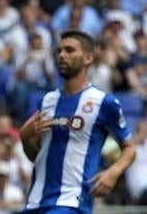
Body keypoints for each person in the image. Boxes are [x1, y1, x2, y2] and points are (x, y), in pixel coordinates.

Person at [19, 30, 136, 214]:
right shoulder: (48, 100)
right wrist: (25, 138)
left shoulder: (103, 102)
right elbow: (41, 158)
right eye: (59, 51)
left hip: (72, 203)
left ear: (88, 58)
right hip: (35, 202)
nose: (61, 55)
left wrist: (112, 172)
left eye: (69, 50)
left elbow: (129, 148)